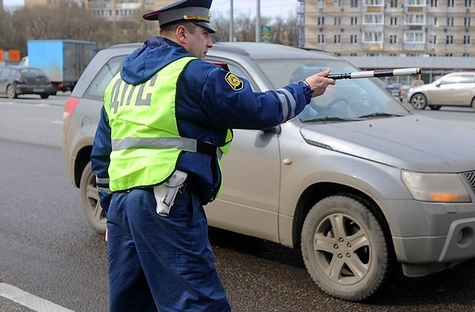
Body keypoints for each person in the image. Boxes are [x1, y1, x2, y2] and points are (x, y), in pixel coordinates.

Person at [90, 0, 335, 311]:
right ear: (182, 33)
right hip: (166, 203)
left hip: (122, 208)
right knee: (197, 304)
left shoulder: (118, 82)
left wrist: (111, 213)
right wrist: (304, 90)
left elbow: (102, 156)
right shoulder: (195, 74)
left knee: (133, 303)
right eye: (205, 34)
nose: (210, 42)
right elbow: (259, 109)